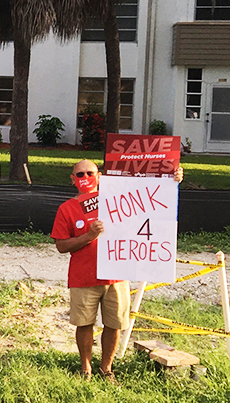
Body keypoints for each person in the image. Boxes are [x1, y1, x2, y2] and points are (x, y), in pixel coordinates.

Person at [49, 159, 183, 381]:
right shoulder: (67, 208)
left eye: (89, 173)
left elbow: (150, 198)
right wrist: (89, 237)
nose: (85, 178)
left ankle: (106, 369)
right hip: (83, 277)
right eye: (80, 175)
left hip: (117, 274)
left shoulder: (117, 199)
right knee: (84, 324)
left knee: (114, 324)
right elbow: (62, 246)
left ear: (99, 176)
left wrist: (171, 181)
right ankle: (85, 369)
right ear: (73, 180)